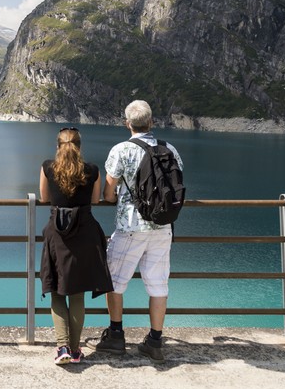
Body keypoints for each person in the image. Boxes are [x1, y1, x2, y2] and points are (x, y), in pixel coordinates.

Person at [95, 100, 183, 363]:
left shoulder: (122, 150)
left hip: (130, 227)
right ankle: (155, 341)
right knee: (158, 285)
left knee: (114, 281)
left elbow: (109, 192)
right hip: (162, 227)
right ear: (152, 123)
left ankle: (116, 335)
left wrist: (115, 196)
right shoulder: (169, 149)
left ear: (127, 124)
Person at [39, 126, 114, 365]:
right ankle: (75, 350)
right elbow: (94, 200)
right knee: (77, 293)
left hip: (57, 235)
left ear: (58, 146)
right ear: (80, 147)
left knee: (57, 290)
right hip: (85, 233)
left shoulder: (47, 167)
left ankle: (62, 348)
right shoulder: (91, 170)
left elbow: (44, 198)